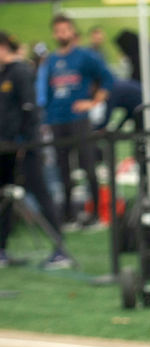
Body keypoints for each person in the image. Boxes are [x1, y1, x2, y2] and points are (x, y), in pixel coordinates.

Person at [0, 31, 72, 269]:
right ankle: (1, 250)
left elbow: (30, 110)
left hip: (25, 147)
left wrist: (24, 142)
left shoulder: (20, 72)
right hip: (6, 147)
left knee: (40, 193)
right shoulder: (4, 73)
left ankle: (60, 249)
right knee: (5, 197)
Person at [43, 13, 113, 228]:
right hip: (57, 120)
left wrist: (92, 103)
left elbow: (108, 79)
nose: (62, 34)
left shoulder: (85, 56)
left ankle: (95, 215)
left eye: (65, 30)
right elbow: (47, 92)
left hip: (79, 119)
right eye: (58, 30)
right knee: (63, 170)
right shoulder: (51, 60)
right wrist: (46, 117)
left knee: (88, 165)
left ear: (72, 32)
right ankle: (69, 216)